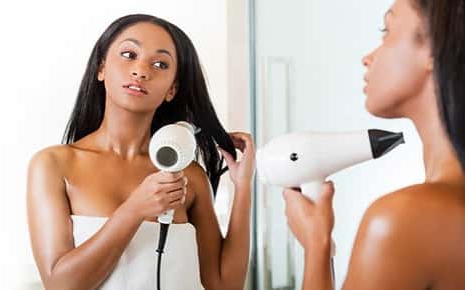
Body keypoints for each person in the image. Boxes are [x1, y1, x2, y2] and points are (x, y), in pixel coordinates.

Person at [26, 14, 255, 290]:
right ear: (101, 68)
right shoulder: (53, 165)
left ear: (172, 89)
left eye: (160, 64)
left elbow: (224, 285)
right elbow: (61, 284)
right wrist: (135, 209)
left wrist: (243, 188)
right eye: (128, 54)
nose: (141, 70)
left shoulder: (188, 176)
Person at [282, 0, 465, 289]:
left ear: (433, 49)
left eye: (387, 30)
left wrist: (316, 247)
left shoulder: (405, 220)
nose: (368, 57)